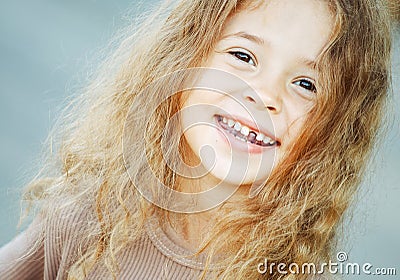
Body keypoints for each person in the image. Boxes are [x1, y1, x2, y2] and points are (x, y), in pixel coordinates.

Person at [0, 0, 393, 279]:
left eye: (305, 84)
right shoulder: (89, 220)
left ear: (334, 134)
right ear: (183, 57)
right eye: (243, 56)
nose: (265, 95)